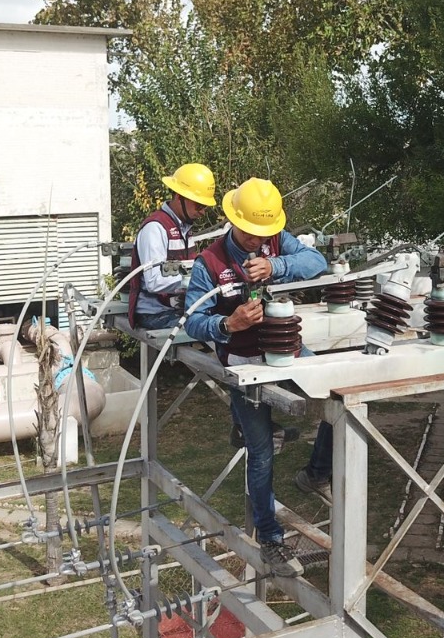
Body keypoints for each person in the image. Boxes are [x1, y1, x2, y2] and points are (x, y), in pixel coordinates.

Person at [183, 177, 334, 579]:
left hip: (287, 350)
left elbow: (317, 262)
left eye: (266, 234)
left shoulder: (275, 241)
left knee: (340, 394)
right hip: (245, 360)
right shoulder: (209, 263)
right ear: (235, 221)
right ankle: (270, 538)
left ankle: (316, 473)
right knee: (262, 452)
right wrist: (227, 323)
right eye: (252, 233)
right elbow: (193, 321)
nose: (258, 240)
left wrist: (277, 264)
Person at [128, 163, 216, 330]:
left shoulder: (184, 228)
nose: (203, 212)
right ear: (179, 197)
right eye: (199, 205)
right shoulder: (155, 228)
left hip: (176, 308)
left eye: (205, 207)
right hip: (154, 313)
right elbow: (153, 281)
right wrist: (195, 281)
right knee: (207, 329)